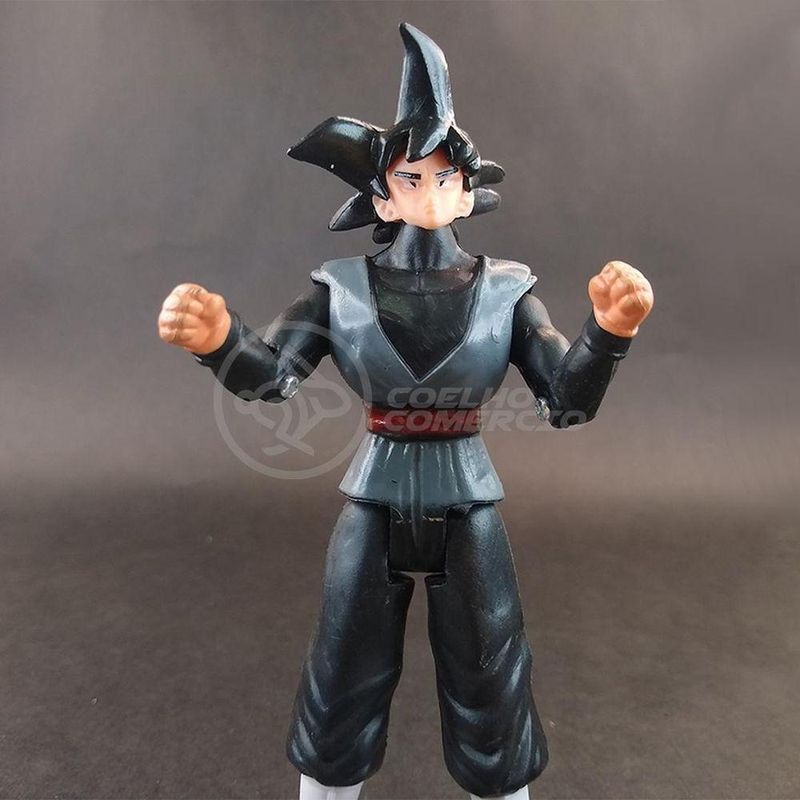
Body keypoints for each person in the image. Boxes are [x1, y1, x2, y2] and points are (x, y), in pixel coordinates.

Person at [157, 23, 653, 800]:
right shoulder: (339, 289)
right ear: (381, 194)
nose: (430, 192)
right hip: (374, 501)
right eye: (411, 178)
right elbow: (275, 379)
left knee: (491, 676)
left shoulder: (507, 291)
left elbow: (565, 400)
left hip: (469, 503)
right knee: (342, 673)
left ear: (468, 189)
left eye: (445, 177)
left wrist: (608, 334)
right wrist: (220, 342)